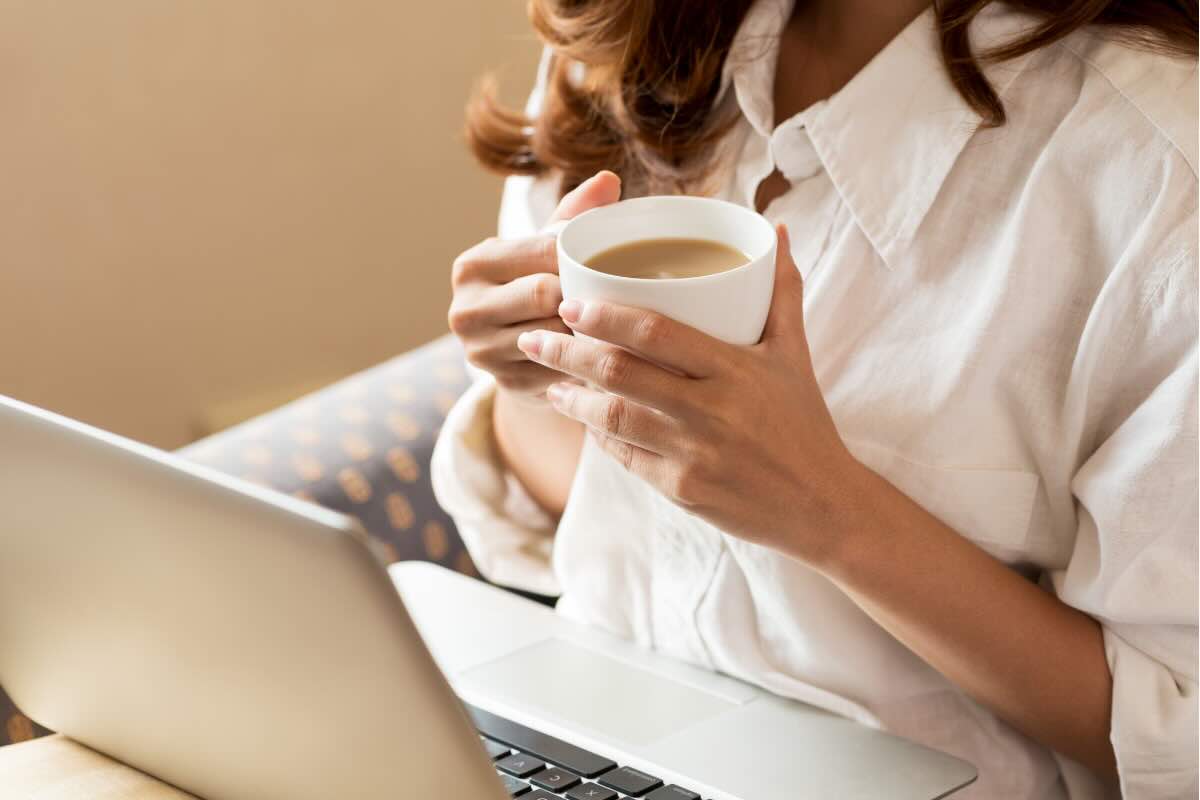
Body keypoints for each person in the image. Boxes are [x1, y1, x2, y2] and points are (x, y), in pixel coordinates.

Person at [432, 1, 1199, 797]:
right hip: (592, 741)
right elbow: (588, 511)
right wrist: (532, 373)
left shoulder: (1159, 172)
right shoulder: (621, 41)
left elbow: (1177, 736)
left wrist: (826, 509)